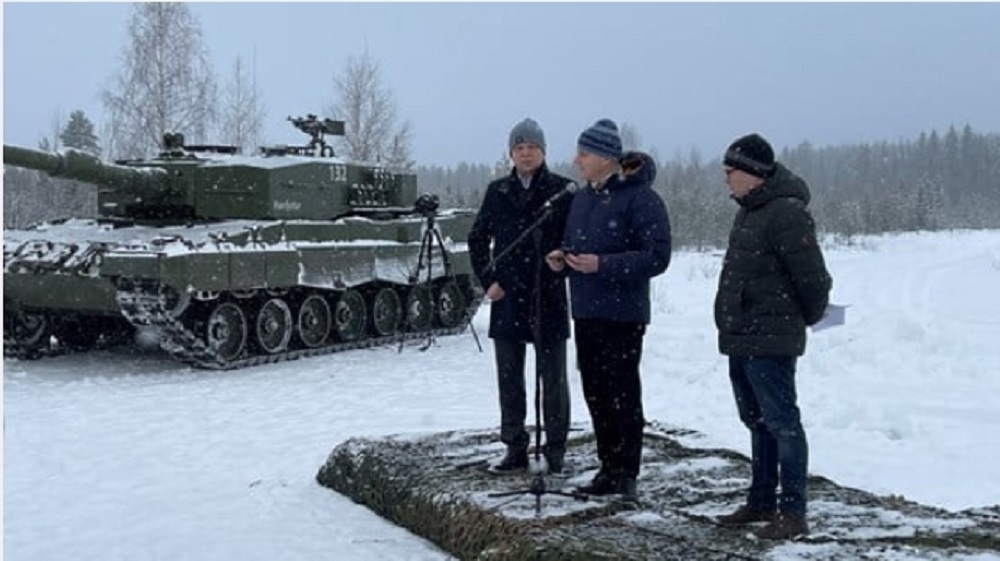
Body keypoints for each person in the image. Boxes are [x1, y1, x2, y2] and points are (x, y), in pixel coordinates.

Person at [713, 133, 832, 539]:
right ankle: (761, 501)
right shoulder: (749, 212)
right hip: (742, 335)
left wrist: (799, 319)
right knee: (757, 422)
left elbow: (813, 278)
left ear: (754, 173)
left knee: (782, 423)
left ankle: (793, 512)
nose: (726, 178)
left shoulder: (786, 213)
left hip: (770, 338)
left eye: (731, 171)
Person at [546, 119, 671, 500]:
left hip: (622, 314)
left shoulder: (641, 198)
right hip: (586, 310)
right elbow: (577, 245)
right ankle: (608, 466)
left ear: (605, 158)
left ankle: (627, 472)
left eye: (584, 153)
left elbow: (657, 256)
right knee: (596, 392)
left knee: (622, 392)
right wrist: (563, 259)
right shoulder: (581, 198)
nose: (577, 160)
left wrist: (603, 265)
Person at [468, 118, 575, 475]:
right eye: (519, 148)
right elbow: (477, 238)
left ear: (543, 151)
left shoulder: (563, 190)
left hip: (548, 295)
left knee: (554, 380)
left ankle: (556, 449)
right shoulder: (497, 191)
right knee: (509, 379)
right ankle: (514, 447)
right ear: (511, 153)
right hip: (509, 295)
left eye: (532, 147)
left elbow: (577, 238)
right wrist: (489, 280)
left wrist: (564, 258)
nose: (525, 153)